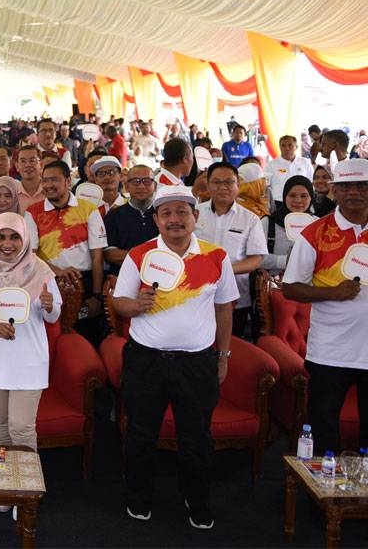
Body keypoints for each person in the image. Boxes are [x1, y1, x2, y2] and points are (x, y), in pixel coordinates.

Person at [112, 185, 237, 530]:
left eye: (182, 212)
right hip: (145, 360)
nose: (174, 219)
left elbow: (224, 308)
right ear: (156, 220)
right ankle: (139, 497)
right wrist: (134, 306)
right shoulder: (139, 255)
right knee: (140, 432)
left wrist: (223, 356)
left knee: (197, 435)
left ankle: (196, 499)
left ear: (195, 217)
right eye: (166, 213)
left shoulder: (216, 257)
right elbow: (118, 302)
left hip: (196, 363)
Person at [282, 158, 368, 454]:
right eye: (346, 186)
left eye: (362, 185)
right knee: (323, 432)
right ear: (334, 190)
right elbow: (290, 287)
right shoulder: (315, 233)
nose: (354, 192)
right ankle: (320, 498)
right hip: (330, 352)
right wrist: (334, 292)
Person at [0, 212, 60, 462]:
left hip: (28, 361)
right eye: (1, 237)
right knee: (0, 428)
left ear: (25, 238)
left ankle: (25, 493)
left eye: (15, 237)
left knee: (21, 428)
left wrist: (50, 306)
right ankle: (3, 490)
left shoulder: (41, 269)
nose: (7, 244)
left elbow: (53, 316)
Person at [24, 161, 107, 346]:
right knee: (48, 336)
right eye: (45, 180)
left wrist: (96, 296)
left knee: (83, 334)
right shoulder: (33, 212)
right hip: (46, 284)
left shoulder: (89, 209)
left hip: (83, 284)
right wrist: (56, 271)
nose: (48, 185)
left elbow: (97, 256)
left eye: (54, 180)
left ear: (68, 181)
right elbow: (30, 255)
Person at [195, 162, 267, 340]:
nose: (223, 187)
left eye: (229, 182)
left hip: (236, 297)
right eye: (216, 182)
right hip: (195, 293)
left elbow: (256, 259)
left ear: (238, 185)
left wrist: (224, 270)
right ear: (208, 185)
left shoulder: (250, 219)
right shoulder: (194, 214)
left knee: (232, 346)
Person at [104, 163, 159, 269]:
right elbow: (110, 254)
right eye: (136, 181)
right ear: (127, 187)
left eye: (147, 181)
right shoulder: (114, 215)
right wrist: (151, 260)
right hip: (122, 277)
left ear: (155, 186)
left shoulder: (164, 214)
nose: (141, 186)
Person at [260, 176, 314, 275]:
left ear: (311, 198)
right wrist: (284, 260)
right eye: (292, 195)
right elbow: (255, 258)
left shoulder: (317, 224)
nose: (298, 200)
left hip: (309, 287)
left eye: (304, 196)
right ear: (285, 197)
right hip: (275, 286)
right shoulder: (268, 222)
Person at [264, 135, 313, 213]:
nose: (287, 148)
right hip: (278, 203)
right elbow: (266, 186)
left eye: (290, 145)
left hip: (300, 203)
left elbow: (311, 183)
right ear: (279, 147)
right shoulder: (271, 165)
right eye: (283, 145)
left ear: (296, 146)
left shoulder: (305, 162)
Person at [14, 145, 44, 212]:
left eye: (32, 160)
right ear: (17, 166)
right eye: (23, 161)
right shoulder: (12, 194)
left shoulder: (50, 191)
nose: (28, 165)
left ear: (41, 165)